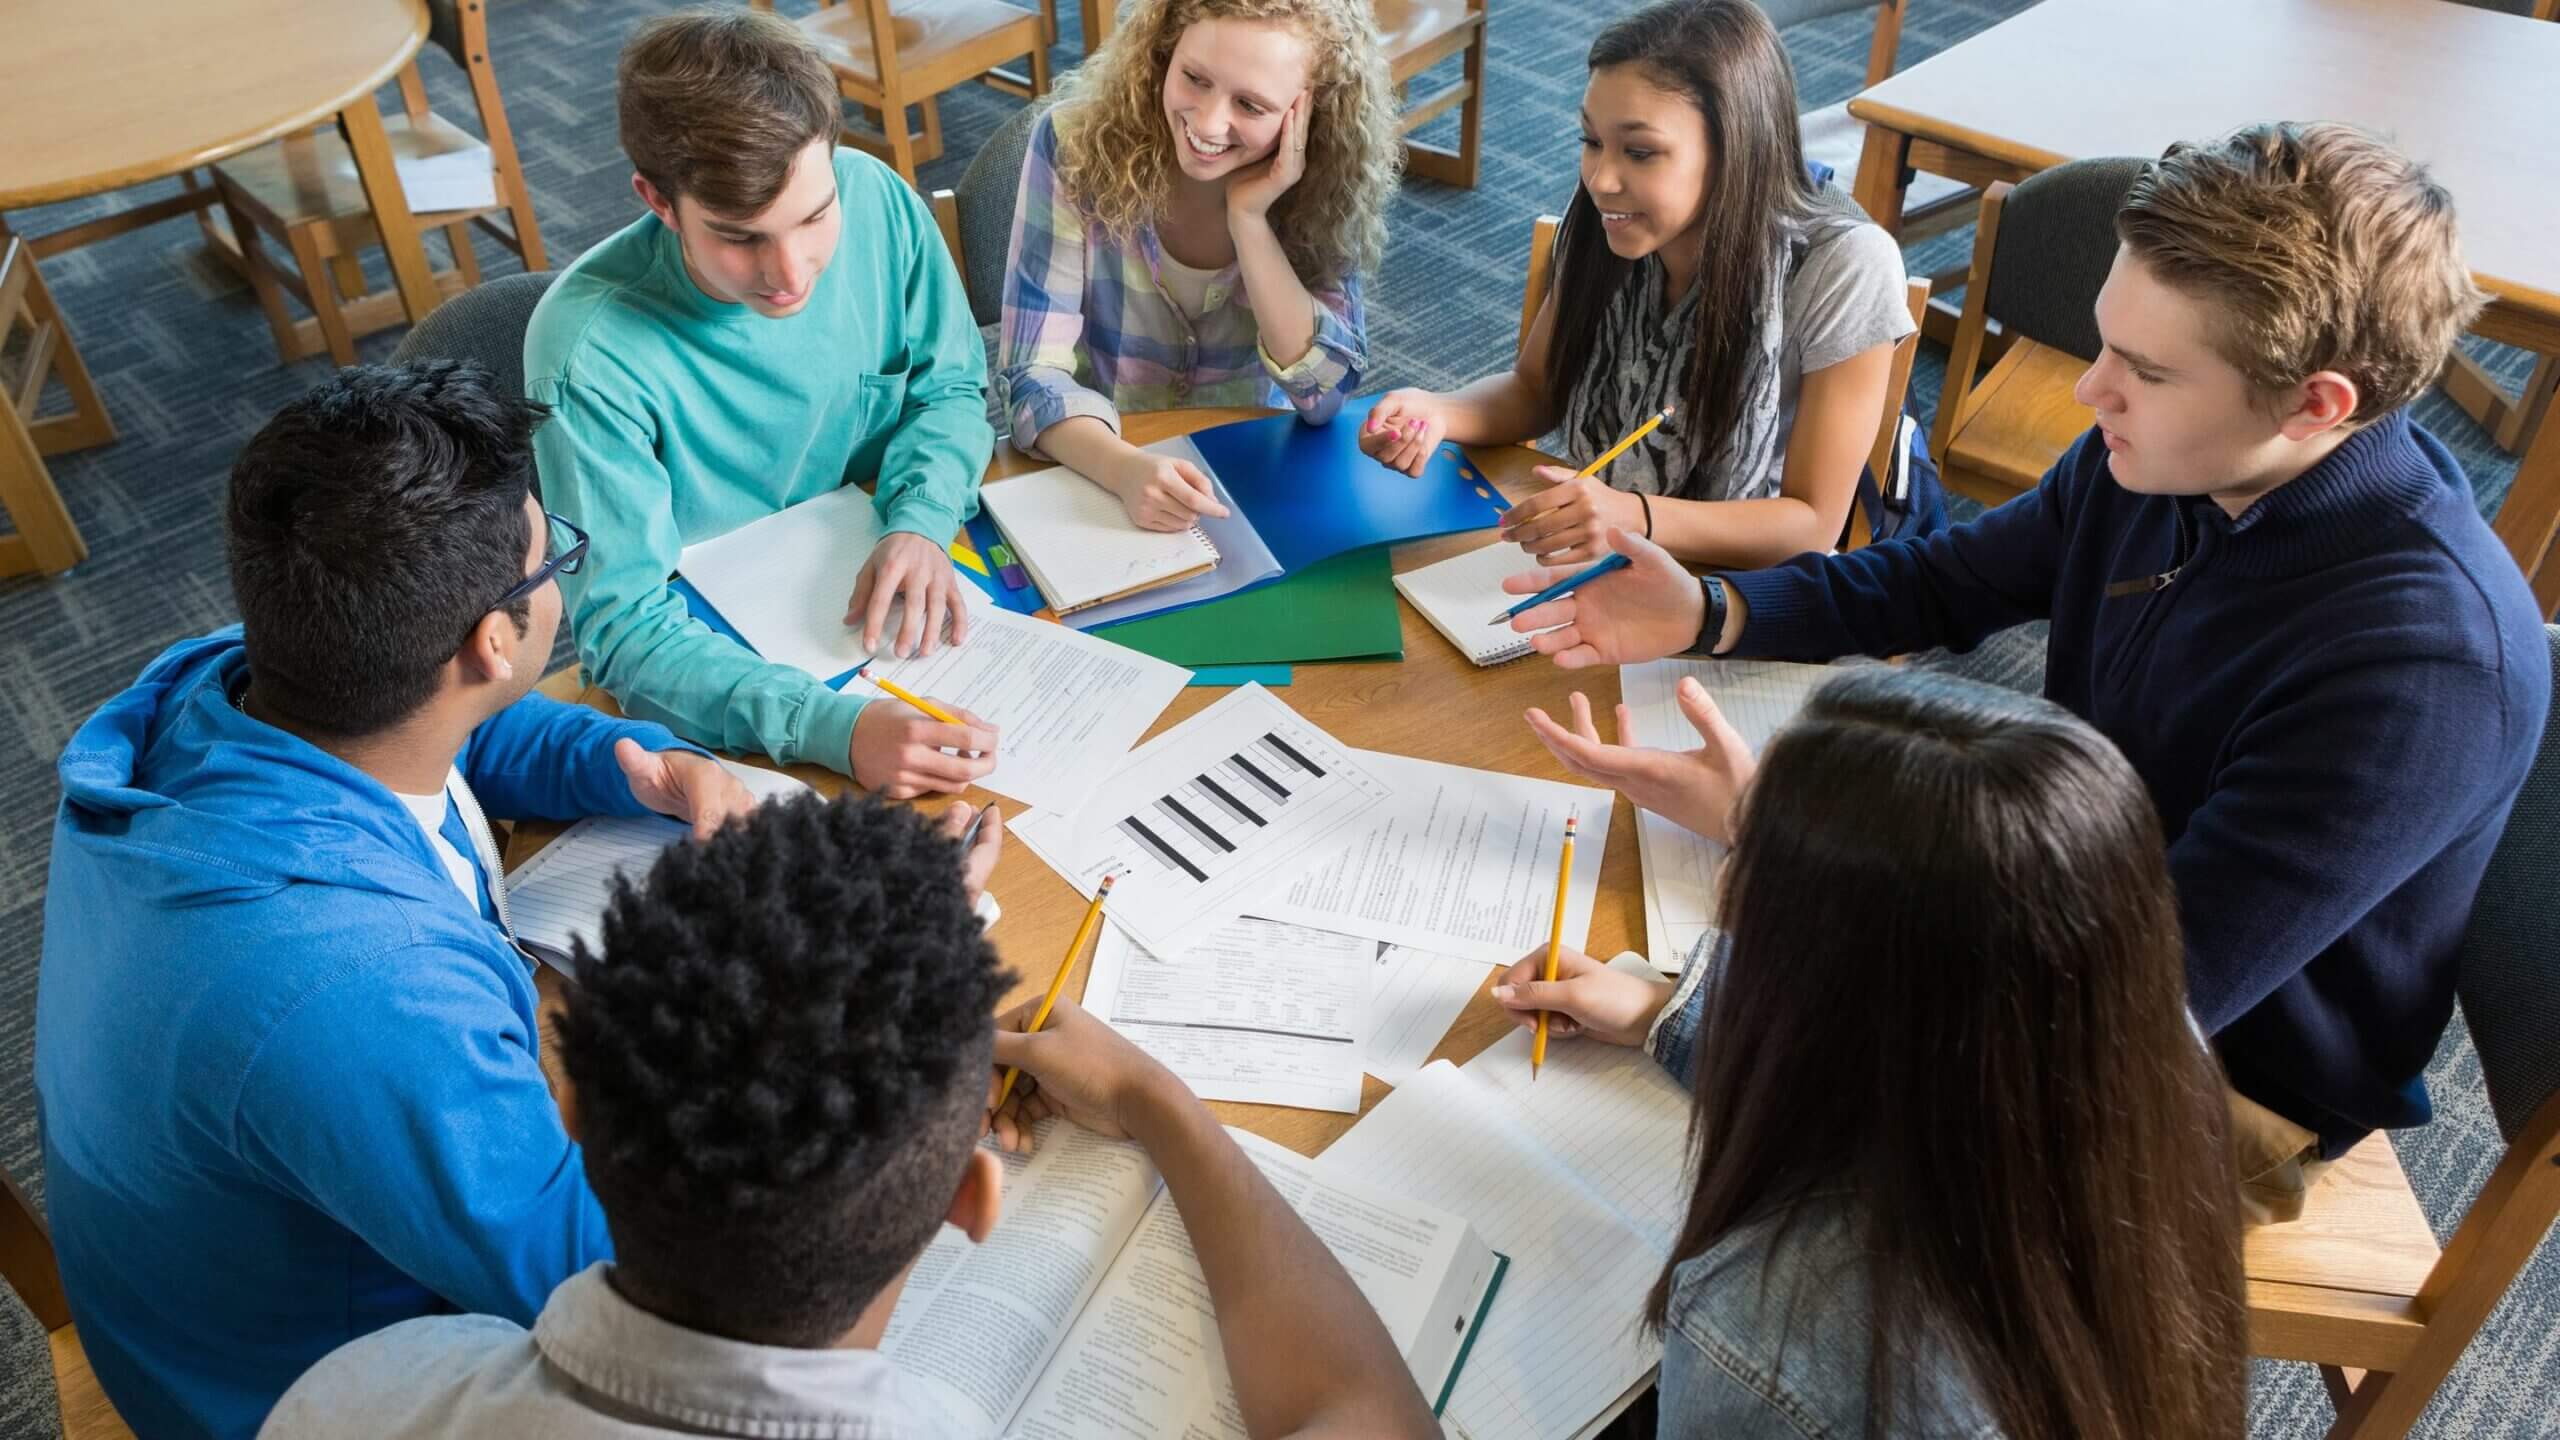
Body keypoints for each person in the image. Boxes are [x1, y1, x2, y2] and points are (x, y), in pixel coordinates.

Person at [1503, 122, 2551, 1224]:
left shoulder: (2421, 668)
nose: (2090, 390)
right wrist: (1711, 607)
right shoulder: (2168, 453)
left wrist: (1714, 988)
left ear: (2316, 403)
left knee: (1753, 1205)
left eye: (2145, 370)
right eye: (2105, 343)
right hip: (2062, 893)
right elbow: (1944, 581)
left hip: (2213, 1070)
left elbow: (2109, 1007)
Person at [35, 362, 763, 1440]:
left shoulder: (235, 686)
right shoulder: (354, 986)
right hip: (288, 1390)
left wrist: (628, 761)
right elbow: (604, 1284)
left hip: (216, 1284)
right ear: (497, 640)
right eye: (552, 549)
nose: (562, 559)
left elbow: (459, 734)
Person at [262, 793, 1439, 1440]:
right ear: (972, 1201)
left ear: (569, 1112)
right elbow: (1365, 1415)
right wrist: (1155, 1103)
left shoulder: (357, 1392)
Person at [1492, 668, 2247, 1439]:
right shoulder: (2137, 1046)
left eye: (1743, 860)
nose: (1723, 884)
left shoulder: (1768, 1340)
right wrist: (1666, 1011)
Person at [528, 7, 1000, 798]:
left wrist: (920, 520)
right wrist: (829, 730)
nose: (790, 272)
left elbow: (949, 388)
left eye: (814, 218)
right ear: (657, 200)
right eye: (742, 237)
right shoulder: (586, 354)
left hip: (898, 607)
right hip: (718, 686)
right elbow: (623, 629)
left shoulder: (879, 199)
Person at [1358, 0, 1914, 569]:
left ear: (1735, 148)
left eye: (1640, 152)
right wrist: (1441, 411)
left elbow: (1811, 524)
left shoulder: (1843, 265)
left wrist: (1632, 515)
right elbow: (1535, 390)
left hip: (1740, 590)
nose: (1601, 180)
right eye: (1591, 140)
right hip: (1598, 544)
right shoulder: (1613, 223)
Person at [1000, 0, 1401, 531]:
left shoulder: (1323, 185)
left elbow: (1324, 395)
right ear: (1164, 52)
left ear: (1307, 113)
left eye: (1251, 106)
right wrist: (1123, 469)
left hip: (1251, 476)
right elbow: (1032, 377)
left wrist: (1251, 220)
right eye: (1193, 77)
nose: (1209, 122)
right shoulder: (1074, 145)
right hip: (1101, 463)